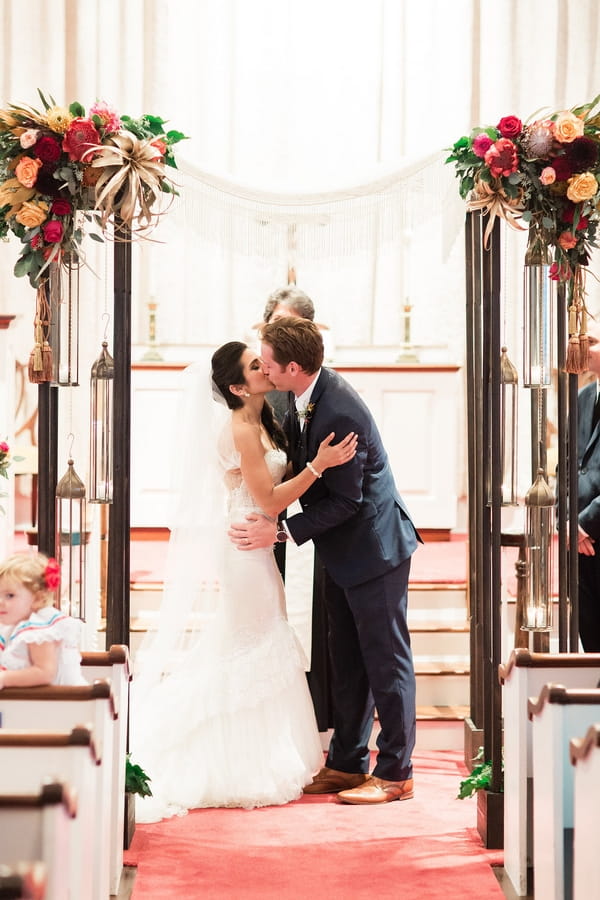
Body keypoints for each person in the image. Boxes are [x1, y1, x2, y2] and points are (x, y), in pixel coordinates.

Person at [131, 341, 357, 820]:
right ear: (237, 386)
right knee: (253, 640)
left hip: (257, 543)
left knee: (256, 638)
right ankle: (228, 758)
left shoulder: (262, 418)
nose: (265, 368)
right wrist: (320, 465)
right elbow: (270, 500)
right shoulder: (239, 427)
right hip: (245, 546)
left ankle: (260, 750)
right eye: (256, 366)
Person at [229, 317, 421, 805]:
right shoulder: (299, 394)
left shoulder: (337, 410)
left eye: (268, 363)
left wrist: (284, 529)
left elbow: (349, 501)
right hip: (340, 552)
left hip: (374, 551)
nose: (264, 371)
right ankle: (346, 763)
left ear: (293, 366)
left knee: (386, 661)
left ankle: (396, 771)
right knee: (346, 662)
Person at [0, 552, 86, 688]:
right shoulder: (12, 628)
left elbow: (45, 672)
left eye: (10, 595)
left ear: (37, 599)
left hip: (61, 704)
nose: (1, 602)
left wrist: (4, 679)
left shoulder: (38, 631)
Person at [573, 316, 600, 650]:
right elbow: (563, 465)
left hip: (591, 530)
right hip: (579, 544)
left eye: (592, 341)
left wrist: (585, 523)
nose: (585, 349)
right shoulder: (582, 397)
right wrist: (566, 521)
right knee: (589, 637)